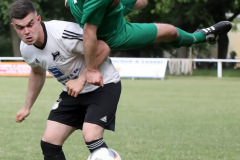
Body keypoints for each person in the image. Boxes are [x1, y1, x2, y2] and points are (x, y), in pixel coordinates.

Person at [10, 0, 121, 159]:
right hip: (73, 93)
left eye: (30, 24)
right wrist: (27, 107)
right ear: (14, 27)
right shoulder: (26, 49)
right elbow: (37, 72)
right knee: (49, 143)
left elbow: (103, 47)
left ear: (39, 19)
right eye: (20, 27)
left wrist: (81, 80)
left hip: (104, 84)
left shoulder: (63, 32)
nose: (26, 31)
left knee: (91, 137)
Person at [66, 0, 232, 85]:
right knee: (171, 32)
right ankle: (200, 36)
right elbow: (89, 32)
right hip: (114, 32)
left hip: (111, 10)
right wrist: (92, 70)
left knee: (142, 2)